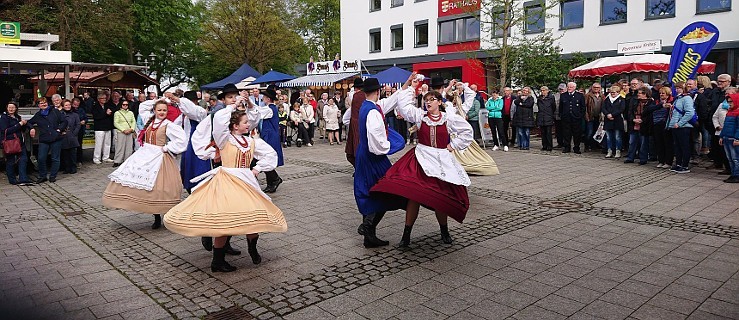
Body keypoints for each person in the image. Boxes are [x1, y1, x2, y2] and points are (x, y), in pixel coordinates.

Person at [165, 105, 287, 272]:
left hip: (246, 182)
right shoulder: (225, 139)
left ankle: (252, 249)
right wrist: (232, 106)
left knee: (254, 218)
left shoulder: (252, 141)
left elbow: (270, 154)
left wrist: (257, 169)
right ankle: (217, 260)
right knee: (224, 222)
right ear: (235, 126)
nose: (248, 124)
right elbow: (220, 123)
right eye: (245, 122)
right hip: (227, 181)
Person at [371, 85, 472, 247]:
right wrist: (409, 87)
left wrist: (453, 145)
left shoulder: (448, 118)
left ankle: (444, 230)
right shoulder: (420, 116)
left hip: (441, 161)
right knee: (414, 196)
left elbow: (467, 131)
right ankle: (406, 235)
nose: (427, 103)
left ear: (439, 102)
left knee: (440, 196)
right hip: (421, 158)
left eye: (431, 100)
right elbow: (404, 108)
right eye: (425, 100)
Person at [101, 99, 188, 228]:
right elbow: (143, 106)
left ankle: (165, 215)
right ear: (154, 110)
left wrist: (166, 147)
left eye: (164, 110)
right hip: (145, 154)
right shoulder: (149, 119)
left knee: (160, 187)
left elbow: (181, 141)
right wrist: (162, 99)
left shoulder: (169, 125)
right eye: (159, 110)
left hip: (159, 157)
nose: (162, 112)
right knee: (143, 185)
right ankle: (155, 215)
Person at [353, 77, 408, 248]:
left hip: (365, 154)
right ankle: (368, 229)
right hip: (372, 157)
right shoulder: (373, 112)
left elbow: (390, 102)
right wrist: (391, 146)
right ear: (378, 91)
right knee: (384, 190)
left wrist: (406, 85)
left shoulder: (368, 106)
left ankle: (368, 233)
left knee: (372, 191)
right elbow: (378, 143)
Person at [247, 89, 284, 193]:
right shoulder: (269, 108)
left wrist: (249, 104)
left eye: (264, 96)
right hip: (269, 135)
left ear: (268, 99)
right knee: (263, 158)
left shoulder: (270, 109)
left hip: (270, 136)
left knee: (264, 157)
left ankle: (274, 180)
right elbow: (258, 110)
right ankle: (272, 181)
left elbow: (258, 112)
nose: (262, 98)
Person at [28, 97, 68, 183]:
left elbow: (64, 121)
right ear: (38, 105)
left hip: (56, 138)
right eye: (41, 103)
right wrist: (31, 128)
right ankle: (43, 175)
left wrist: (59, 130)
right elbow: (29, 122)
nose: (43, 104)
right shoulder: (38, 115)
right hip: (44, 139)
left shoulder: (55, 111)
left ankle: (53, 176)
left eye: (45, 102)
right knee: (41, 158)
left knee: (55, 158)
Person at [1, 101, 32, 185]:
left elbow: (23, 128)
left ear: (16, 108)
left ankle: (23, 178)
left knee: (23, 159)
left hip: (20, 142)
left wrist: (29, 127)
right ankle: (12, 180)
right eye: (9, 107)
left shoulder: (17, 117)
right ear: (7, 108)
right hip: (10, 142)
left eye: (13, 107)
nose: (11, 109)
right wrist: (19, 124)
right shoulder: (4, 118)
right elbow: (5, 131)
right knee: (10, 161)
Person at [668, 82, 695, 173]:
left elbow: (689, 113)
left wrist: (680, 123)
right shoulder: (678, 98)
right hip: (675, 126)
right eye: (676, 88)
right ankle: (679, 164)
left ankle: (685, 165)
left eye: (679, 88)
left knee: (684, 146)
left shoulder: (687, 98)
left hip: (683, 126)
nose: (677, 90)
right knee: (677, 146)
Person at [625, 86, 655, 165]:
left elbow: (650, 114)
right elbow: (630, 111)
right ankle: (630, 157)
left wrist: (642, 120)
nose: (638, 95)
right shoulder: (634, 100)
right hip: (634, 123)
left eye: (640, 93)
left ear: (645, 94)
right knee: (632, 142)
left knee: (643, 143)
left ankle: (643, 159)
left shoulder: (650, 102)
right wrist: (633, 119)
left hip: (644, 124)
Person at [559, 82, 586, 154]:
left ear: (574, 87)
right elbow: (561, 107)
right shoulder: (563, 95)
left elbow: (583, 107)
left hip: (576, 118)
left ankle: (576, 147)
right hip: (566, 118)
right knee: (566, 133)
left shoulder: (579, 96)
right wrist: (561, 115)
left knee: (577, 134)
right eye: (568, 87)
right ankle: (567, 147)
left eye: (571, 87)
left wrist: (580, 116)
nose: (569, 88)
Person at [344, 78, 365, 167]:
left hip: (356, 125)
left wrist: (347, 122)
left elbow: (348, 114)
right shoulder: (365, 95)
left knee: (355, 148)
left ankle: (359, 169)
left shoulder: (355, 96)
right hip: (364, 124)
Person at [719, 93, 739, 183]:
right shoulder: (729, 112)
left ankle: (737, 175)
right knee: (730, 158)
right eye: (728, 102)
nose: (730, 103)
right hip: (727, 137)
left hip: (733, 139)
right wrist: (721, 136)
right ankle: (733, 173)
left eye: (731, 102)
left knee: (735, 158)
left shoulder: (737, 113)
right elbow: (725, 126)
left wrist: (737, 138)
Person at [653, 87, 674, 169]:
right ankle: (661, 161)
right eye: (660, 93)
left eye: (663, 93)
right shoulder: (656, 101)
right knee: (659, 143)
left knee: (668, 143)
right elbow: (649, 109)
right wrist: (661, 105)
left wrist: (669, 106)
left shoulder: (672, 101)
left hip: (667, 124)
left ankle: (668, 161)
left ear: (668, 94)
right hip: (657, 124)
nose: (661, 95)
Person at [91, 92, 115, 164]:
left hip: (107, 127)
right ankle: (96, 158)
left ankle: (106, 157)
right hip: (99, 128)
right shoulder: (95, 106)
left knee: (107, 143)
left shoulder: (107, 105)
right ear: (98, 99)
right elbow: (96, 116)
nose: (104, 100)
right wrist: (106, 113)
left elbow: (111, 114)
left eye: (105, 98)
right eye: (102, 98)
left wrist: (110, 113)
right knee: (99, 144)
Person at [602, 85, 625, 158]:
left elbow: (621, 109)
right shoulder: (607, 99)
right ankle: (609, 151)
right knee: (608, 137)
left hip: (617, 120)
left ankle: (618, 151)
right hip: (608, 120)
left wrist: (612, 115)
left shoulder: (621, 99)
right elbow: (603, 108)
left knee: (617, 137)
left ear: (618, 92)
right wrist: (607, 114)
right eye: (611, 92)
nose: (612, 94)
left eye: (614, 93)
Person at [113, 99, 136, 167]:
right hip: (121, 132)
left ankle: (127, 161)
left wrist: (131, 129)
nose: (125, 106)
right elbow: (116, 123)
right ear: (121, 105)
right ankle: (117, 161)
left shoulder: (131, 113)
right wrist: (123, 130)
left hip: (129, 132)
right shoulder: (117, 113)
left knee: (129, 147)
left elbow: (133, 121)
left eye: (126, 105)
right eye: (124, 104)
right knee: (120, 147)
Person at [60, 100, 81, 174]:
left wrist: (74, 133)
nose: (68, 106)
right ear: (63, 106)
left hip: (72, 135)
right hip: (63, 135)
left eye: (69, 105)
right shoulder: (60, 114)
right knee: (65, 153)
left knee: (73, 153)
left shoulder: (75, 115)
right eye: (66, 105)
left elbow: (78, 125)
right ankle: (67, 168)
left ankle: (73, 167)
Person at [585, 83, 605, 151]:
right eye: (595, 87)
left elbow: (604, 106)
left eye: (598, 87)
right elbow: (584, 106)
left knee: (597, 132)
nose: (596, 89)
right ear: (592, 88)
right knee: (589, 132)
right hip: (590, 116)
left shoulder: (602, 96)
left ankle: (594, 146)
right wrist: (586, 115)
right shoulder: (588, 95)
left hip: (598, 117)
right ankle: (587, 145)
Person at [537, 87, 556, 151]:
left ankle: (549, 146)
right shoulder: (539, 98)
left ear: (547, 91)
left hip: (548, 116)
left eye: (544, 90)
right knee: (543, 133)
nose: (542, 92)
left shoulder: (551, 98)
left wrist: (550, 114)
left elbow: (553, 107)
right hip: (541, 116)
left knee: (548, 132)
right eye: (541, 91)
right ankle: (544, 145)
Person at [72, 97, 87, 168]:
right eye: (74, 104)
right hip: (73, 130)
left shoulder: (81, 110)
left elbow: (86, 118)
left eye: (77, 105)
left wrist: (84, 121)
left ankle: (79, 161)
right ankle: (73, 161)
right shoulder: (71, 110)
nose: (76, 106)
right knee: (72, 146)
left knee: (79, 146)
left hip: (80, 130)